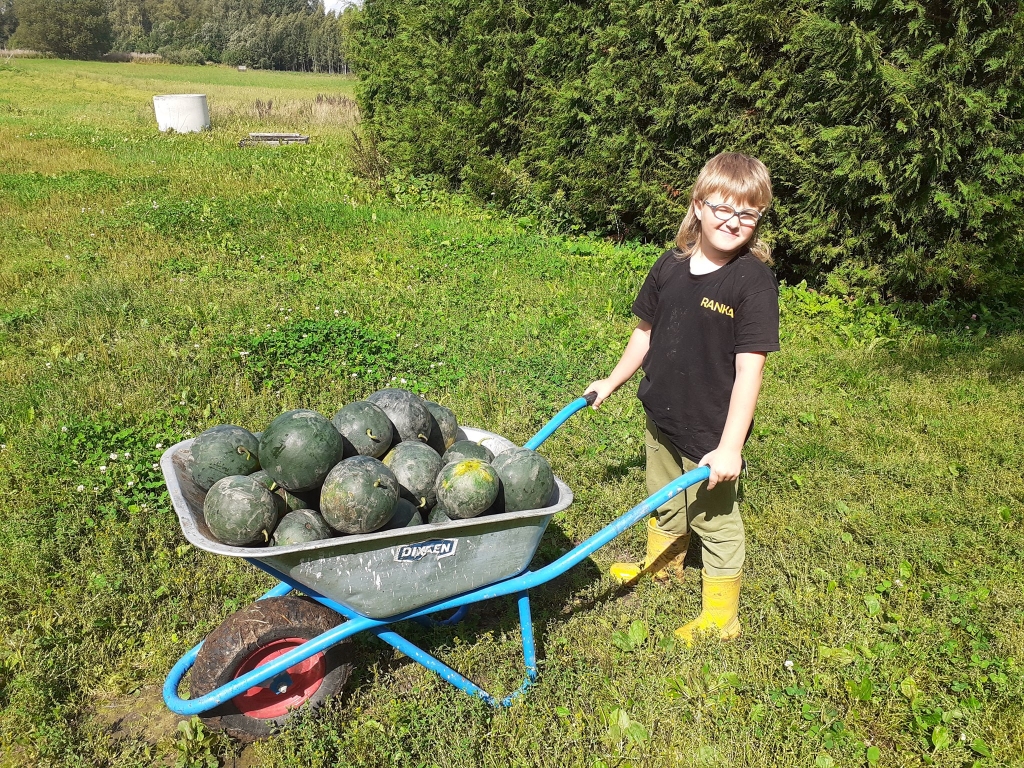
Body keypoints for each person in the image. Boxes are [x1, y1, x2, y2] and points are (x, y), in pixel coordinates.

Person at [586, 152, 779, 644]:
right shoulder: (669, 266)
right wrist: (612, 381)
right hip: (661, 415)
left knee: (716, 523)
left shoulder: (752, 283)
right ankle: (663, 564)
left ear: (759, 219)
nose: (733, 222)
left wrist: (731, 446)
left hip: (710, 433)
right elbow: (644, 334)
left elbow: (749, 372)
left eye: (748, 213)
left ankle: (721, 616)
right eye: (722, 207)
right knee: (663, 497)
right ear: (697, 205)